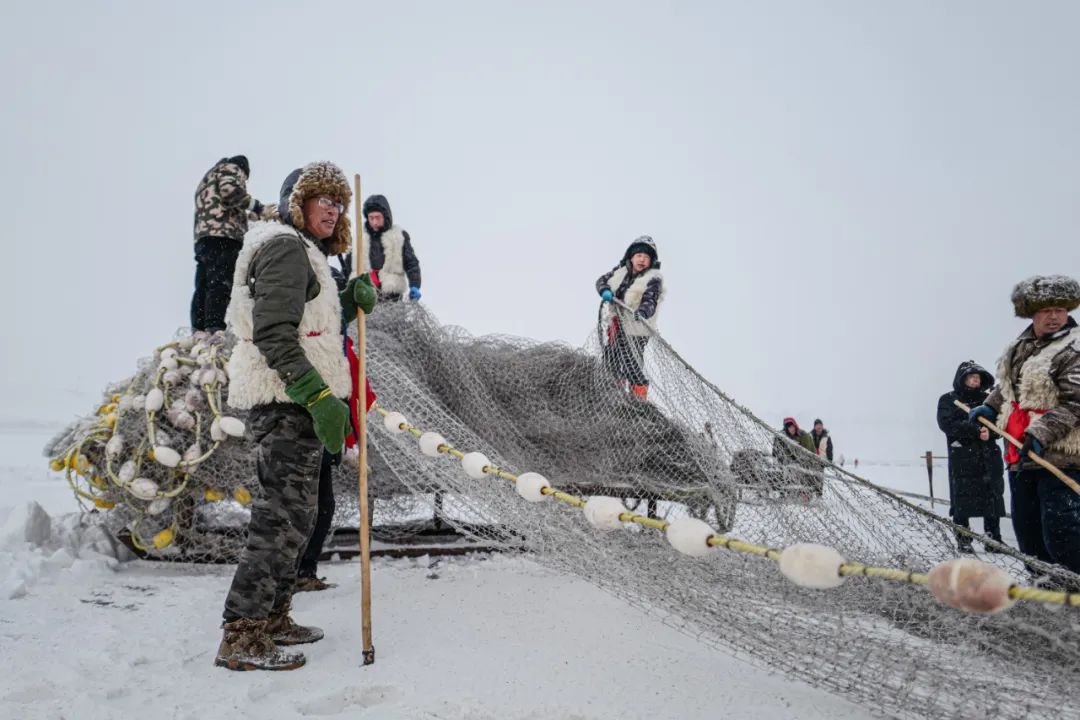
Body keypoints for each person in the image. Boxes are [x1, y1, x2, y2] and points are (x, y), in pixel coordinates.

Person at [214, 161, 378, 671]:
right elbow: (273, 333)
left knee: (297, 519)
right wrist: (318, 397)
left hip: (297, 402)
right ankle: (242, 636)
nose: (333, 208)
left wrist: (349, 302)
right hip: (285, 401)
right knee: (277, 520)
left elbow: (311, 324)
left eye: (338, 201)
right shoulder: (285, 247)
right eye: (322, 198)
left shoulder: (305, 253)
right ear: (295, 204)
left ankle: (274, 616)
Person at [969, 275, 1080, 575]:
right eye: (1046, 310)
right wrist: (989, 408)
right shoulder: (1019, 348)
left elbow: (1076, 403)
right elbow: (1007, 388)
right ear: (1032, 312)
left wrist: (1041, 432)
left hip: (1064, 460)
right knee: (1029, 540)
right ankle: (1046, 601)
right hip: (1021, 458)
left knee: (1063, 538)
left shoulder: (1074, 349)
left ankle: (1073, 599)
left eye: (1060, 309)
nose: (1054, 316)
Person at [191, 155, 268, 332]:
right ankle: (214, 326)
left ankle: (199, 329)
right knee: (221, 281)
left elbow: (222, 207)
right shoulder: (231, 169)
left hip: (204, 236)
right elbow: (229, 192)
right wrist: (259, 207)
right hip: (224, 237)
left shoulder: (208, 178)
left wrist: (250, 218)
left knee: (203, 284)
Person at [936, 361, 1006, 553]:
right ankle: (963, 539)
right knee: (962, 499)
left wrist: (990, 434)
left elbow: (1001, 425)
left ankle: (993, 539)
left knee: (992, 495)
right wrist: (975, 430)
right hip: (963, 457)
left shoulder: (989, 401)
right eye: (971, 376)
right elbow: (947, 424)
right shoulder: (948, 400)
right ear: (962, 378)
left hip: (988, 456)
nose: (976, 380)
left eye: (978, 377)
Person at [596, 236, 665, 400]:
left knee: (630, 361)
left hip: (637, 329)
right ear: (631, 257)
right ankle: (613, 389)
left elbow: (650, 300)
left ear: (651, 261)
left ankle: (638, 397)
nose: (642, 259)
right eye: (639, 255)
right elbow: (601, 281)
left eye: (647, 257)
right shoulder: (620, 272)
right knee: (611, 355)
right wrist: (605, 290)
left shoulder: (653, 279)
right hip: (617, 324)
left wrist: (642, 312)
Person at [363, 194, 421, 301]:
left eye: (377, 217)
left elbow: (411, 262)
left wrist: (415, 285)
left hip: (392, 295)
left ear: (385, 216)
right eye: (371, 218)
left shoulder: (399, 237)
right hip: (366, 296)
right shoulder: (361, 239)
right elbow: (349, 267)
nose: (374, 222)